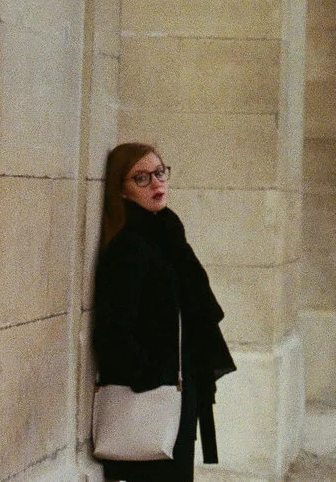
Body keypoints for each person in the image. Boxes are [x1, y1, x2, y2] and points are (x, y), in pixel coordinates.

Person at [92, 143, 235, 481]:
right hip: (151, 395)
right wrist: (153, 378)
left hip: (179, 389)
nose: (157, 184)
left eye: (159, 173)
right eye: (140, 178)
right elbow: (112, 332)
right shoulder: (129, 247)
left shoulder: (168, 233)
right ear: (122, 190)